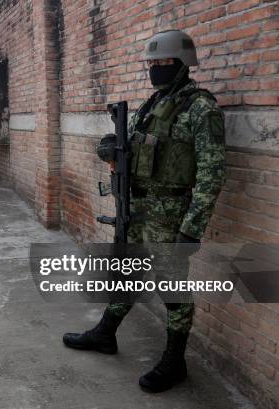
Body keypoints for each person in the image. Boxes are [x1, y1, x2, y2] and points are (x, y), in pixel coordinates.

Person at [63, 30, 226, 393]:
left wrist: (191, 228)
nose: (154, 70)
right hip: (138, 207)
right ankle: (106, 333)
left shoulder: (201, 108)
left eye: (162, 63)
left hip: (171, 215)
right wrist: (111, 148)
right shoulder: (152, 104)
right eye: (150, 64)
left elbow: (212, 174)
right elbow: (132, 148)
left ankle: (175, 361)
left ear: (182, 64)